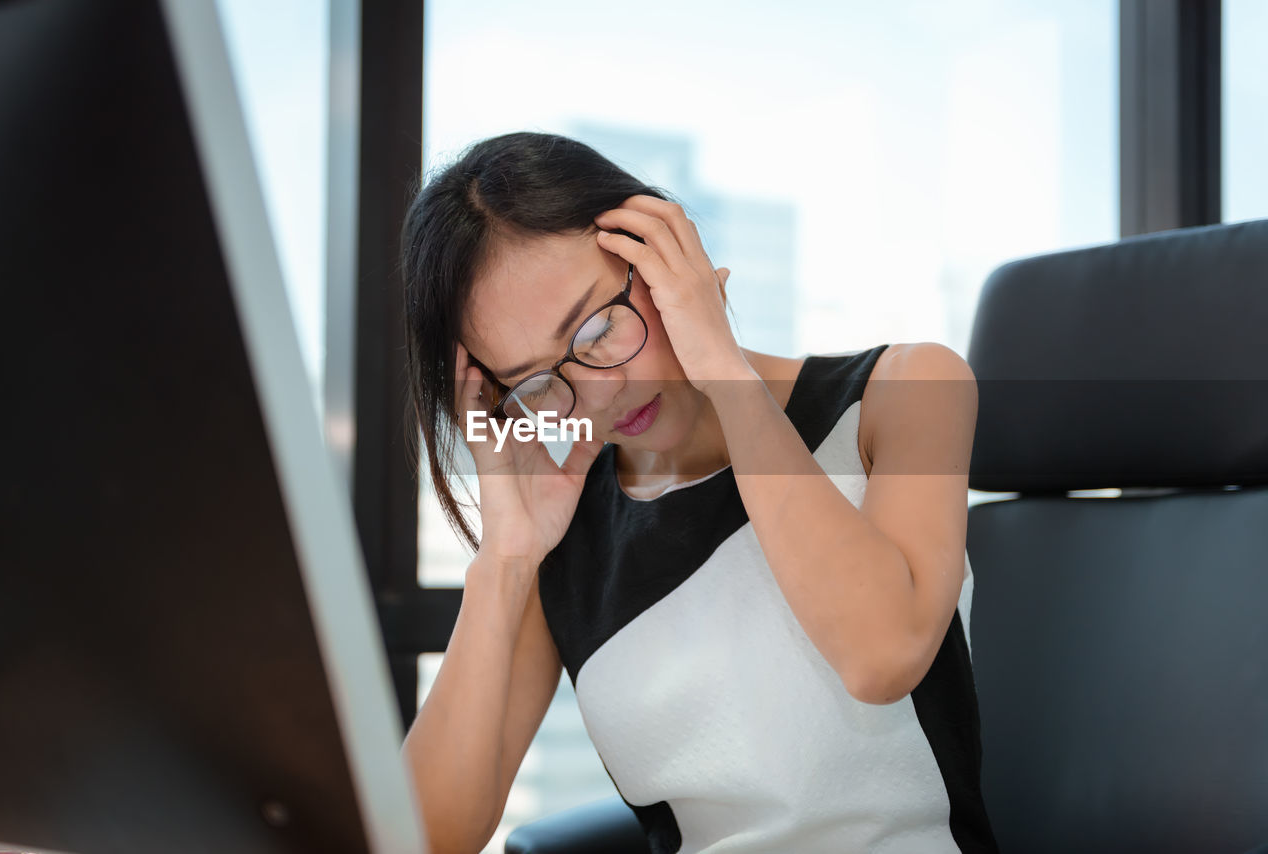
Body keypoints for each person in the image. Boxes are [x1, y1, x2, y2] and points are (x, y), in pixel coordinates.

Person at [398, 131, 999, 854]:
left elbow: (881, 656)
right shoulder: (564, 534)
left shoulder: (900, 393)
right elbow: (417, 841)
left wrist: (724, 370)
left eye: (597, 326)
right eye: (537, 381)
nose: (598, 392)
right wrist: (505, 563)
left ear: (664, 257)